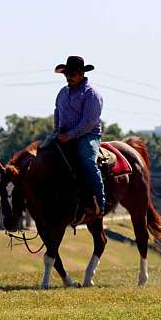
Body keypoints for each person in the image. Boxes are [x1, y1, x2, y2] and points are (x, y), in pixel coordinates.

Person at [53, 56, 105, 216]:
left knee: (88, 161)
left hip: (87, 135)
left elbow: (89, 122)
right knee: (41, 154)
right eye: (67, 74)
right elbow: (57, 112)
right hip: (63, 134)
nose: (69, 77)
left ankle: (99, 202)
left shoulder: (91, 94)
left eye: (73, 74)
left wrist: (70, 135)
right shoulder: (62, 93)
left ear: (82, 74)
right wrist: (57, 131)